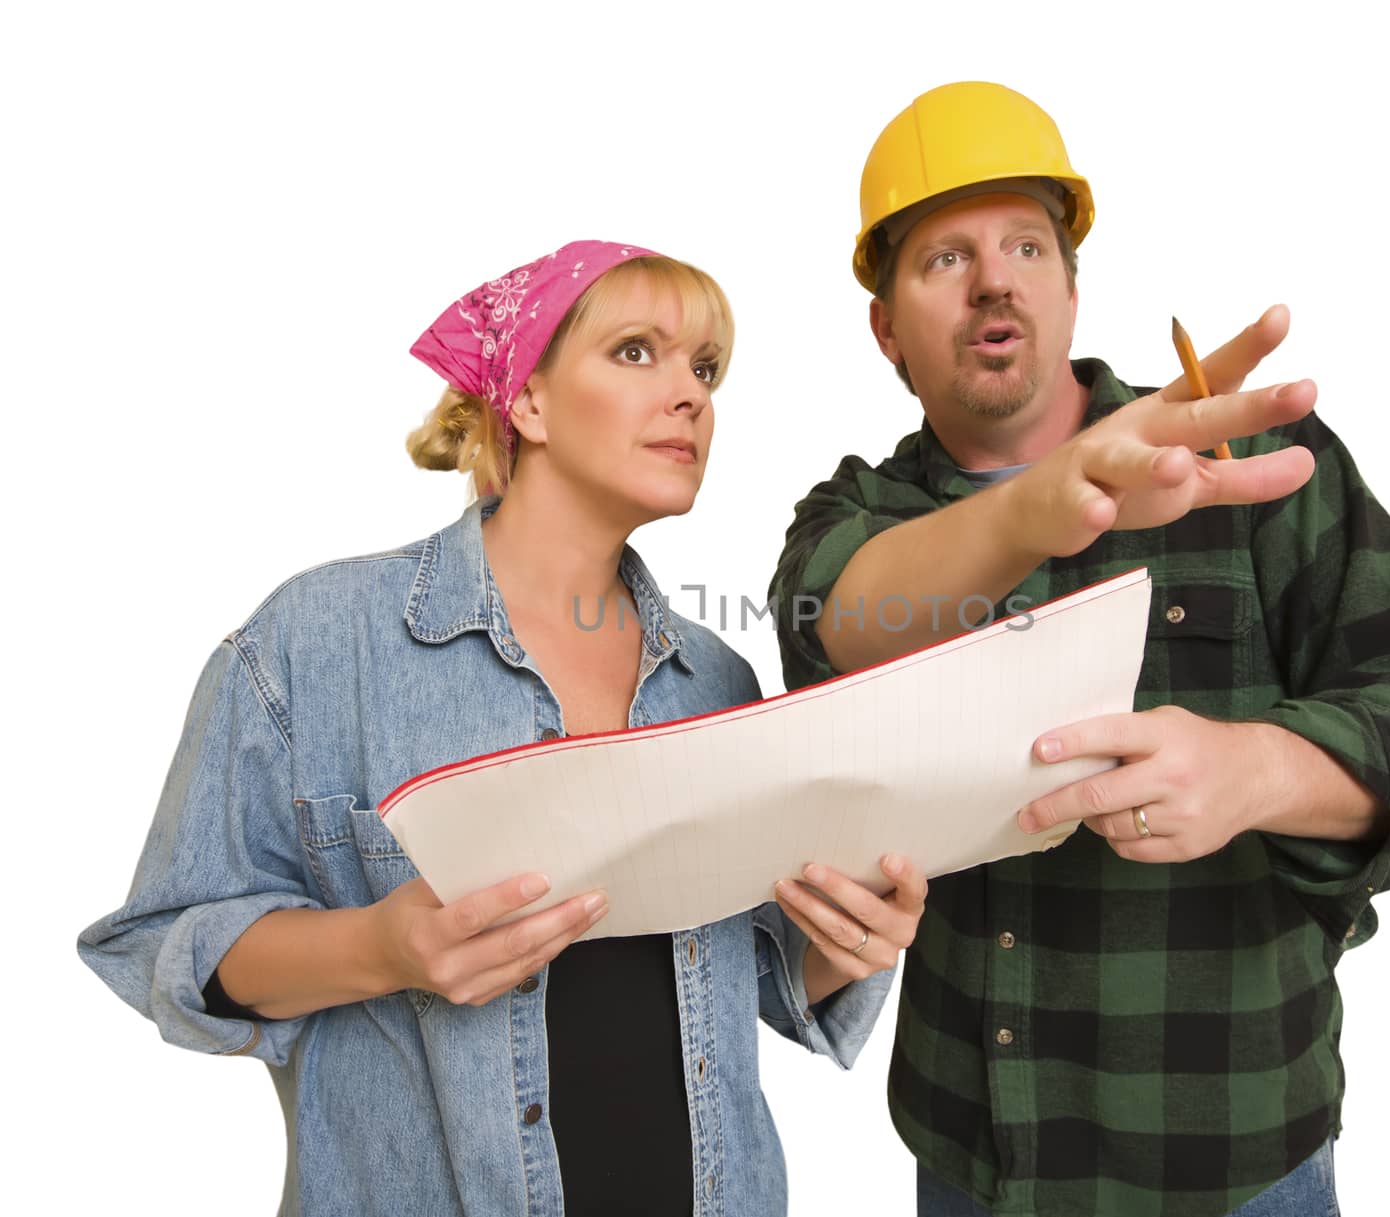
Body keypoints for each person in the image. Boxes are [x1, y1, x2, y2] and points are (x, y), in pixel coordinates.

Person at [769, 82, 1390, 1216]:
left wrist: (1257, 767)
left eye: (1024, 244)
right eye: (943, 259)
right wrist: (1028, 513)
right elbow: (832, 628)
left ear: (1069, 288)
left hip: (1236, 1153)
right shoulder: (859, 512)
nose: (994, 278)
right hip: (975, 1161)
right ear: (886, 328)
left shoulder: (1248, 462)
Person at [79, 240, 928, 1217]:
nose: (691, 395)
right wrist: (381, 948)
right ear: (525, 400)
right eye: (637, 351)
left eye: (704, 367)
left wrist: (854, 939)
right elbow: (161, 943)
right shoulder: (317, 641)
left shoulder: (716, 677)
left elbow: (765, 982)